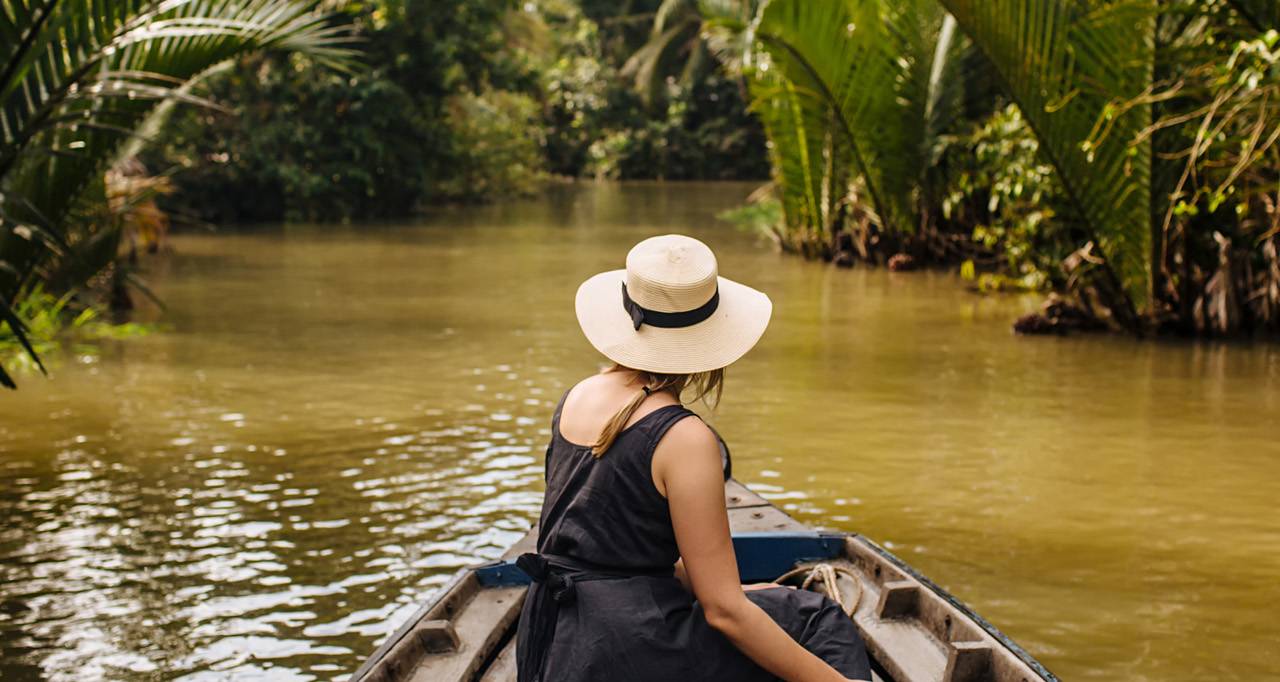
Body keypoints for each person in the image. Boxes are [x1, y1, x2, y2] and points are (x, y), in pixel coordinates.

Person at [515, 234, 871, 682]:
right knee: (817, 616)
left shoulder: (576, 396)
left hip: (551, 638)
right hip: (629, 650)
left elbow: (612, 550)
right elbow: (725, 613)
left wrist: (735, 592)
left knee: (762, 604)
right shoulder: (684, 438)